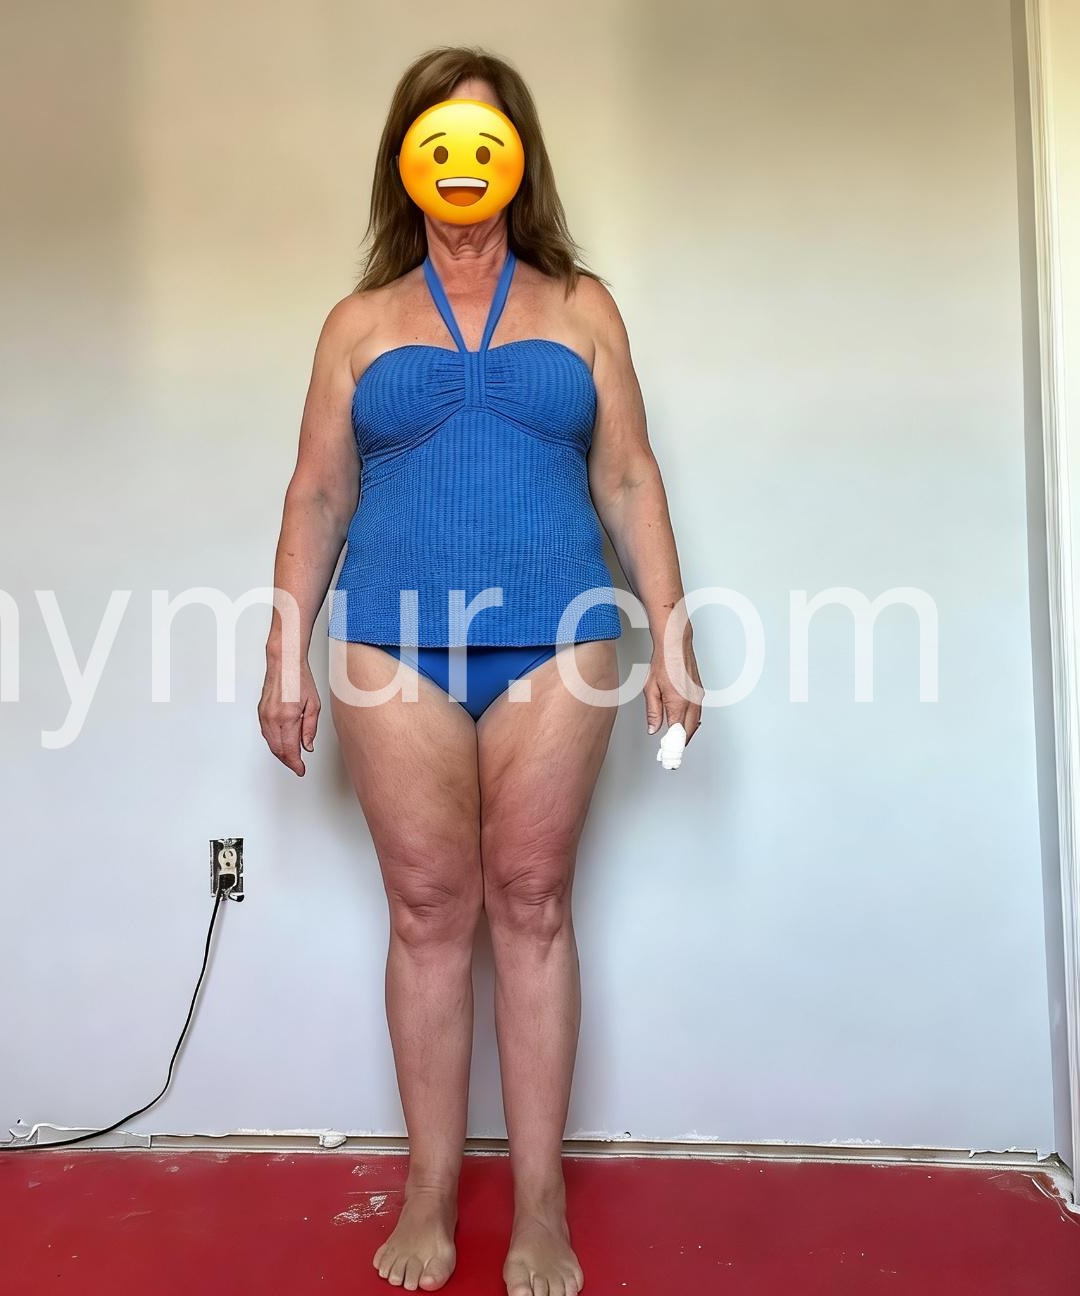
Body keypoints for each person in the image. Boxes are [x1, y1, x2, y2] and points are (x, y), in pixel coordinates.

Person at [260, 45, 703, 1296]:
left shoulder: (582, 308)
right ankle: (430, 1190)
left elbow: (629, 477)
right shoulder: (357, 324)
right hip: (388, 642)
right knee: (425, 910)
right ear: (408, 162)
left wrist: (674, 634)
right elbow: (316, 493)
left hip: (559, 636)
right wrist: (284, 652)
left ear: (519, 161)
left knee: (534, 900)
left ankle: (542, 1205)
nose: (463, 163)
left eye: (485, 140)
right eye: (439, 140)